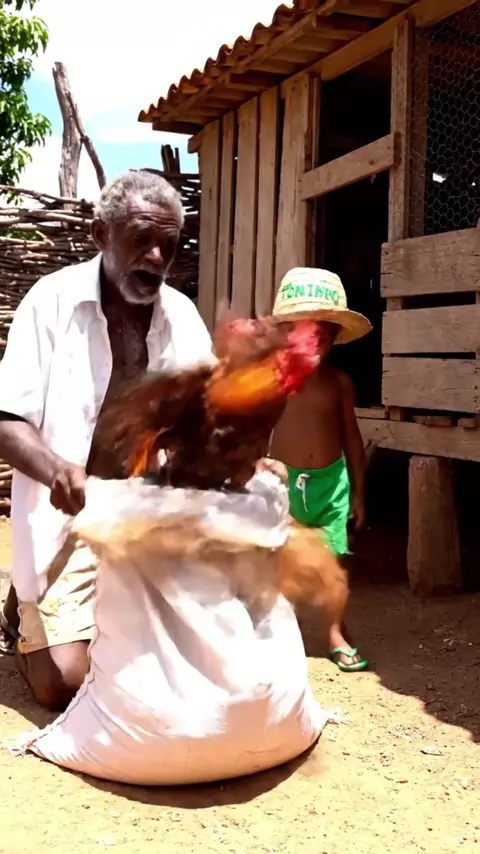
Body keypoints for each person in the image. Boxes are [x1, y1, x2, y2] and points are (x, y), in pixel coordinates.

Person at [0, 170, 214, 708]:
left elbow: (204, 420)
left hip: (147, 520)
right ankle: (24, 606)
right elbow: (6, 420)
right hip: (67, 521)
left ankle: (47, 606)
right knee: (66, 682)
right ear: (101, 234)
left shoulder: (182, 319)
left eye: (168, 245)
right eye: (141, 239)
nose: (156, 258)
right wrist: (57, 470)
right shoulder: (50, 303)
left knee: (204, 655)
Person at [270, 267, 372, 673]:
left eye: (324, 338)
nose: (315, 344)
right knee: (281, 561)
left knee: (337, 563)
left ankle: (334, 633)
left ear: (334, 338)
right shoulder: (275, 380)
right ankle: (282, 631)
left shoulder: (339, 382)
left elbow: (352, 439)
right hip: (284, 484)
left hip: (332, 486)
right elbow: (254, 429)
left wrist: (359, 493)